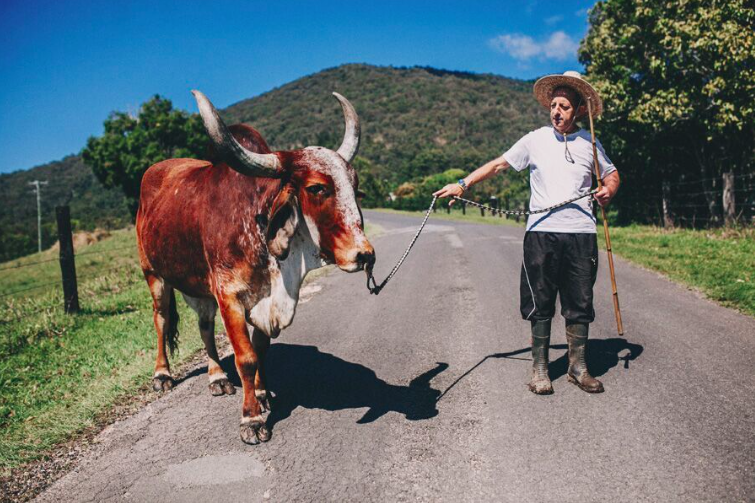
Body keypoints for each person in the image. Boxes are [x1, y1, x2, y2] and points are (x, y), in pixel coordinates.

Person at [433, 71, 620, 395]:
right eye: (553, 105)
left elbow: (611, 174)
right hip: (540, 234)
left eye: (564, 106)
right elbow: (498, 165)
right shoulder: (534, 140)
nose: (556, 111)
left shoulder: (589, 142)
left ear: (577, 110)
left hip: (580, 234)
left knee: (580, 302)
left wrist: (608, 190)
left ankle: (578, 367)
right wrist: (463, 184)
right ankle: (540, 370)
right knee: (540, 300)